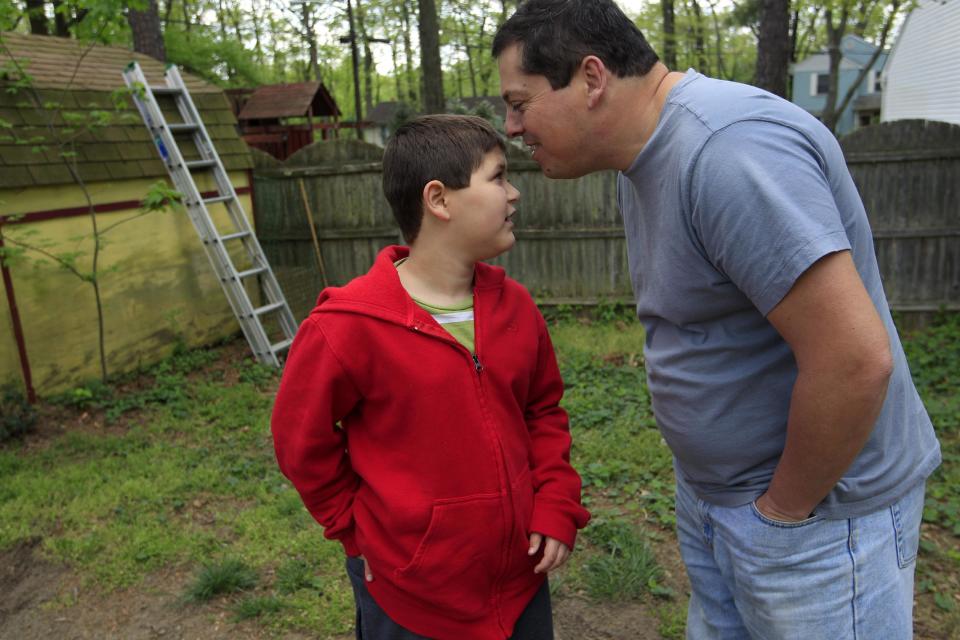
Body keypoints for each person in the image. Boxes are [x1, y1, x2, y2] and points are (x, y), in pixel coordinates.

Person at [492, 1, 942, 638]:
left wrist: (780, 515)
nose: (512, 126)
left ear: (591, 78)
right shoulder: (641, 158)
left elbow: (853, 360)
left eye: (520, 101)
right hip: (721, 501)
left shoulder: (729, 151)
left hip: (814, 521)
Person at [270, 114, 590, 640]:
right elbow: (299, 442)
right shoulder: (346, 327)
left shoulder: (516, 307)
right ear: (439, 200)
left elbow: (542, 411)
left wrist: (555, 502)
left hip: (520, 582)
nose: (515, 194)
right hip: (409, 595)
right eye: (498, 177)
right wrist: (355, 530)